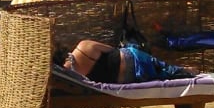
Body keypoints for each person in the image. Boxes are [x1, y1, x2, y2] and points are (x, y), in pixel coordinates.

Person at [62, 39, 198, 85]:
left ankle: (180, 71)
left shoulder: (69, 78)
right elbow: (110, 49)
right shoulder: (84, 45)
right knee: (159, 65)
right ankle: (184, 70)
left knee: (160, 73)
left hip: (124, 79)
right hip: (130, 59)